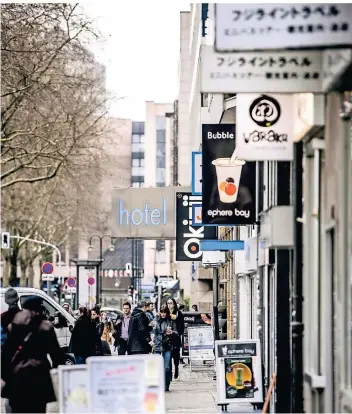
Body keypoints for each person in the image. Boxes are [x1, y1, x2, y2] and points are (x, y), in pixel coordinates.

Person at [1, 296, 65, 413]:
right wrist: (56, 373)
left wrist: (6, 377)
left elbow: (6, 355)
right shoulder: (46, 327)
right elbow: (57, 356)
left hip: (17, 377)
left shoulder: (12, 325)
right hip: (39, 376)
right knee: (38, 409)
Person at [153, 305, 178, 392]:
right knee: (156, 367)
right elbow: (151, 330)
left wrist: (172, 332)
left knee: (167, 367)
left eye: (165, 312)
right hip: (157, 346)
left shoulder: (170, 321)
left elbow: (176, 332)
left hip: (167, 346)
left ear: (167, 313)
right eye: (162, 312)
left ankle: (166, 384)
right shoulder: (156, 320)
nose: (163, 314)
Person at [167, 298, 184, 379]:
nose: (169, 305)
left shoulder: (178, 313)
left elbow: (182, 326)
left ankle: (176, 368)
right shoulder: (165, 313)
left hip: (175, 337)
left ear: (174, 304)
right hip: (167, 337)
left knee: (176, 355)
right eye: (168, 303)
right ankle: (169, 372)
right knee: (168, 356)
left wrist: (178, 333)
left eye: (170, 303)